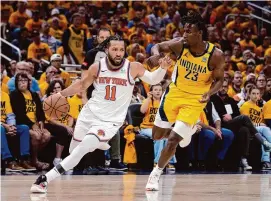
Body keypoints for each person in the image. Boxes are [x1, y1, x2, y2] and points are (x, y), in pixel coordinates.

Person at [30, 35, 171, 193]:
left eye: (121, 50)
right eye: (114, 49)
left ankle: (44, 180)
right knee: (73, 151)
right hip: (89, 114)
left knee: (82, 148)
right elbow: (82, 84)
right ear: (106, 50)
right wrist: (61, 95)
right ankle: (98, 142)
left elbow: (153, 79)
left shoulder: (133, 67)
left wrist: (162, 68)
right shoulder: (97, 67)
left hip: (109, 121)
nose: (118, 53)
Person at [145, 11, 225, 191]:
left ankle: (155, 174)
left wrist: (210, 93)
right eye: (184, 30)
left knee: (173, 140)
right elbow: (157, 46)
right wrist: (157, 56)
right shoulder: (180, 45)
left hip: (195, 100)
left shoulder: (215, 55)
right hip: (174, 94)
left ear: (200, 33)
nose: (184, 34)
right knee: (157, 136)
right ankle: (185, 131)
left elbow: (220, 80)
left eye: (189, 31)